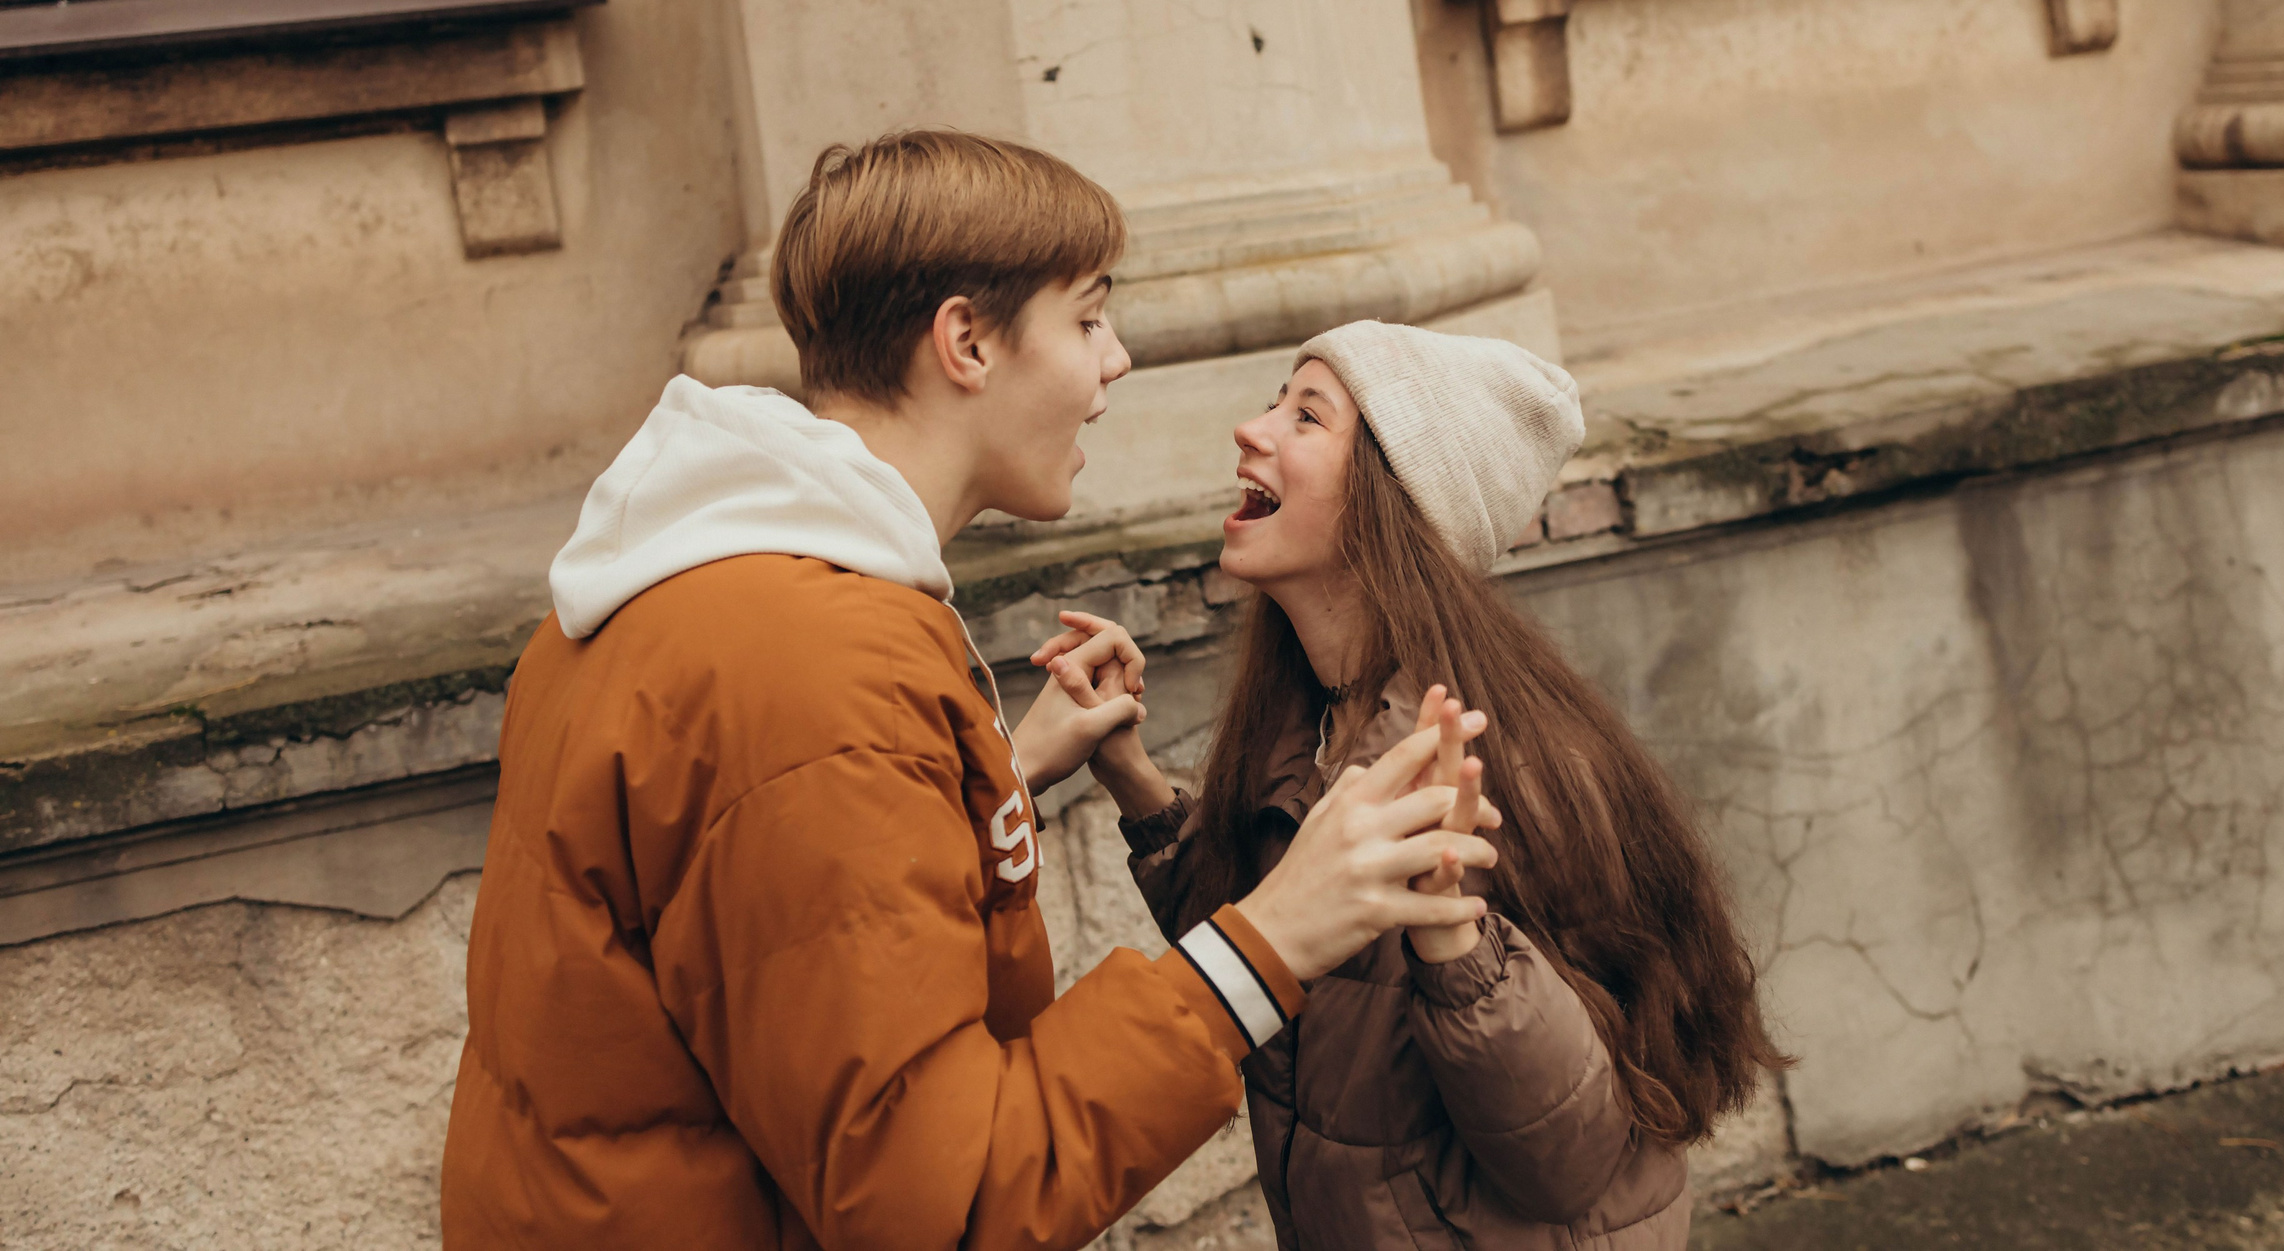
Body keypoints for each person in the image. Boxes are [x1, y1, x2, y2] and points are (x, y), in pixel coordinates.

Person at [440, 134, 1500, 1250]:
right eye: (1088, 318)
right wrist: (1267, 939)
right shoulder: (815, 675)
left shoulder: (708, 582)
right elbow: (941, 1204)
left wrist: (992, 778)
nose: (1118, 361)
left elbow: (752, 889)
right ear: (967, 344)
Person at [1048, 320, 1790, 1249]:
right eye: (1279, 399)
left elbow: (1570, 1157)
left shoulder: (1498, 767)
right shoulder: (1310, 721)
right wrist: (1135, 779)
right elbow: (1268, 948)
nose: (1253, 428)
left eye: (1306, 416)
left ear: (1391, 506)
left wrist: (1454, 939)